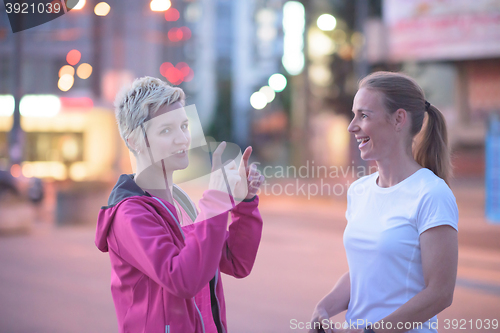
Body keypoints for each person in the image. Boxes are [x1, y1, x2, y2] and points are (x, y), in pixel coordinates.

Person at [95, 76, 265, 333]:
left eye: (184, 126)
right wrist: (216, 200)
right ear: (134, 141)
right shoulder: (129, 214)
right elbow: (182, 279)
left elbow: (236, 262)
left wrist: (245, 202)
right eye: (166, 130)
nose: (182, 139)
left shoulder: (182, 202)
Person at [309, 71, 459, 333]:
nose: (351, 125)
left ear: (399, 119)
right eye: (354, 114)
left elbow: (440, 293)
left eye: (364, 115)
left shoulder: (432, 194)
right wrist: (323, 308)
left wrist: (371, 332)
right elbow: (365, 274)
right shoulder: (359, 191)